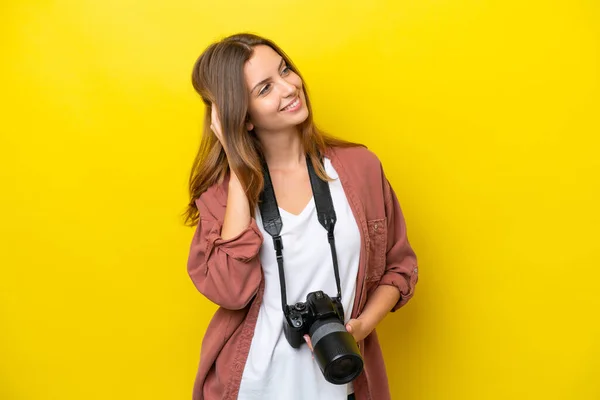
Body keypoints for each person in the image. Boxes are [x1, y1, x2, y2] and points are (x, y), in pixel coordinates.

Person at [183, 33, 419, 400]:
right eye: (265, 89)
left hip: (341, 381)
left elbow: (400, 268)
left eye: (285, 70)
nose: (290, 87)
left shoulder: (360, 168)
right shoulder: (221, 196)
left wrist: (360, 327)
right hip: (251, 385)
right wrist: (237, 166)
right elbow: (230, 290)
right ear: (241, 117)